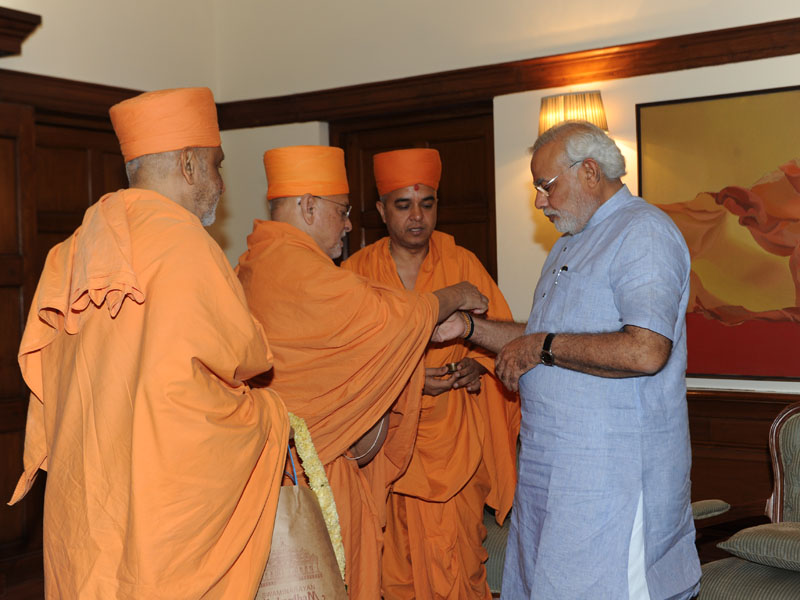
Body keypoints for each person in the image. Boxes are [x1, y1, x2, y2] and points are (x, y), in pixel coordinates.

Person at [8, 87, 289, 599]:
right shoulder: (186, 248)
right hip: (159, 514)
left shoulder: (71, 251)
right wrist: (269, 416)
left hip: (87, 505)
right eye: (216, 166)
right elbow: (247, 360)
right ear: (188, 165)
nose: (221, 184)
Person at [440, 121, 701, 599]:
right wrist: (470, 329)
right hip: (552, 474)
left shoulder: (642, 231)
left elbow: (645, 349)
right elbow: (547, 333)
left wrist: (543, 347)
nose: (539, 201)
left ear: (588, 172)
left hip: (614, 480)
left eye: (545, 185)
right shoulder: (571, 241)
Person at [236, 145, 489, 600]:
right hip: (318, 470)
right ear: (309, 206)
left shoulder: (256, 262)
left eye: (427, 203)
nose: (349, 223)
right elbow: (386, 321)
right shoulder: (303, 269)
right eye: (342, 211)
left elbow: (345, 354)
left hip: (307, 461)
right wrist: (451, 297)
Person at [341, 148, 520, 599]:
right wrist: (409, 381)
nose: (417, 217)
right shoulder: (356, 274)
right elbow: (341, 364)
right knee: (391, 568)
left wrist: (476, 369)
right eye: (403, 205)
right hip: (385, 447)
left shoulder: (464, 265)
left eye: (427, 204)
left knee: (459, 564)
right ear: (382, 211)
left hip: (455, 444)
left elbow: (505, 342)